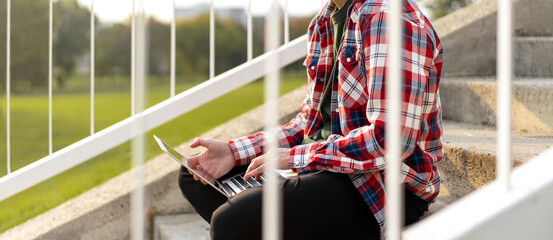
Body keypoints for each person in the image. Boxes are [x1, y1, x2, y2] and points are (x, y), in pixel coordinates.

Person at [178, 0, 443, 239]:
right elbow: (309, 122)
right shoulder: (324, 21)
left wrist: (295, 157)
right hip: (326, 166)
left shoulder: (388, 18)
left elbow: (390, 140)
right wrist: (234, 152)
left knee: (233, 220)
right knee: (198, 175)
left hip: (381, 184)